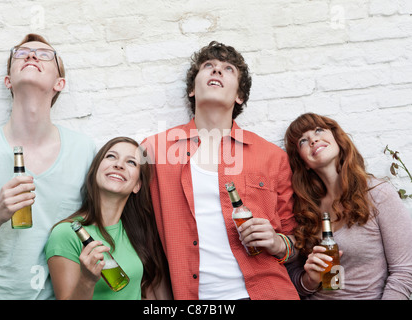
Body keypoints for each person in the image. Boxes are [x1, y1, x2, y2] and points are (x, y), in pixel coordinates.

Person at [142, 41, 299, 300]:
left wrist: (277, 242)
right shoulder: (155, 151)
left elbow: (297, 240)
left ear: (240, 96)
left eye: (228, 69)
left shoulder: (272, 157)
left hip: (268, 292)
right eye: (208, 66)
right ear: (192, 90)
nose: (216, 71)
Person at [0, 34, 96, 300]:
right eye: (21, 53)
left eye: (45, 54)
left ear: (60, 83)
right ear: (8, 81)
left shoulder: (85, 152)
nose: (32, 55)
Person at [284, 112, 412, 299]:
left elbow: (405, 272)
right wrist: (310, 280)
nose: (313, 139)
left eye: (319, 130)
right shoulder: (305, 208)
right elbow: (294, 281)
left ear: (337, 139)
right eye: (303, 141)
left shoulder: (377, 194)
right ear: (304, 163)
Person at [45, 137, 171, 300]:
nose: (119, 165)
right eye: (111, 156)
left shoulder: (136, 232)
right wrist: (87, 280)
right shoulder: (67, 234)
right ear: (95, 170)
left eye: (131, 162)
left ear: (137, 185)